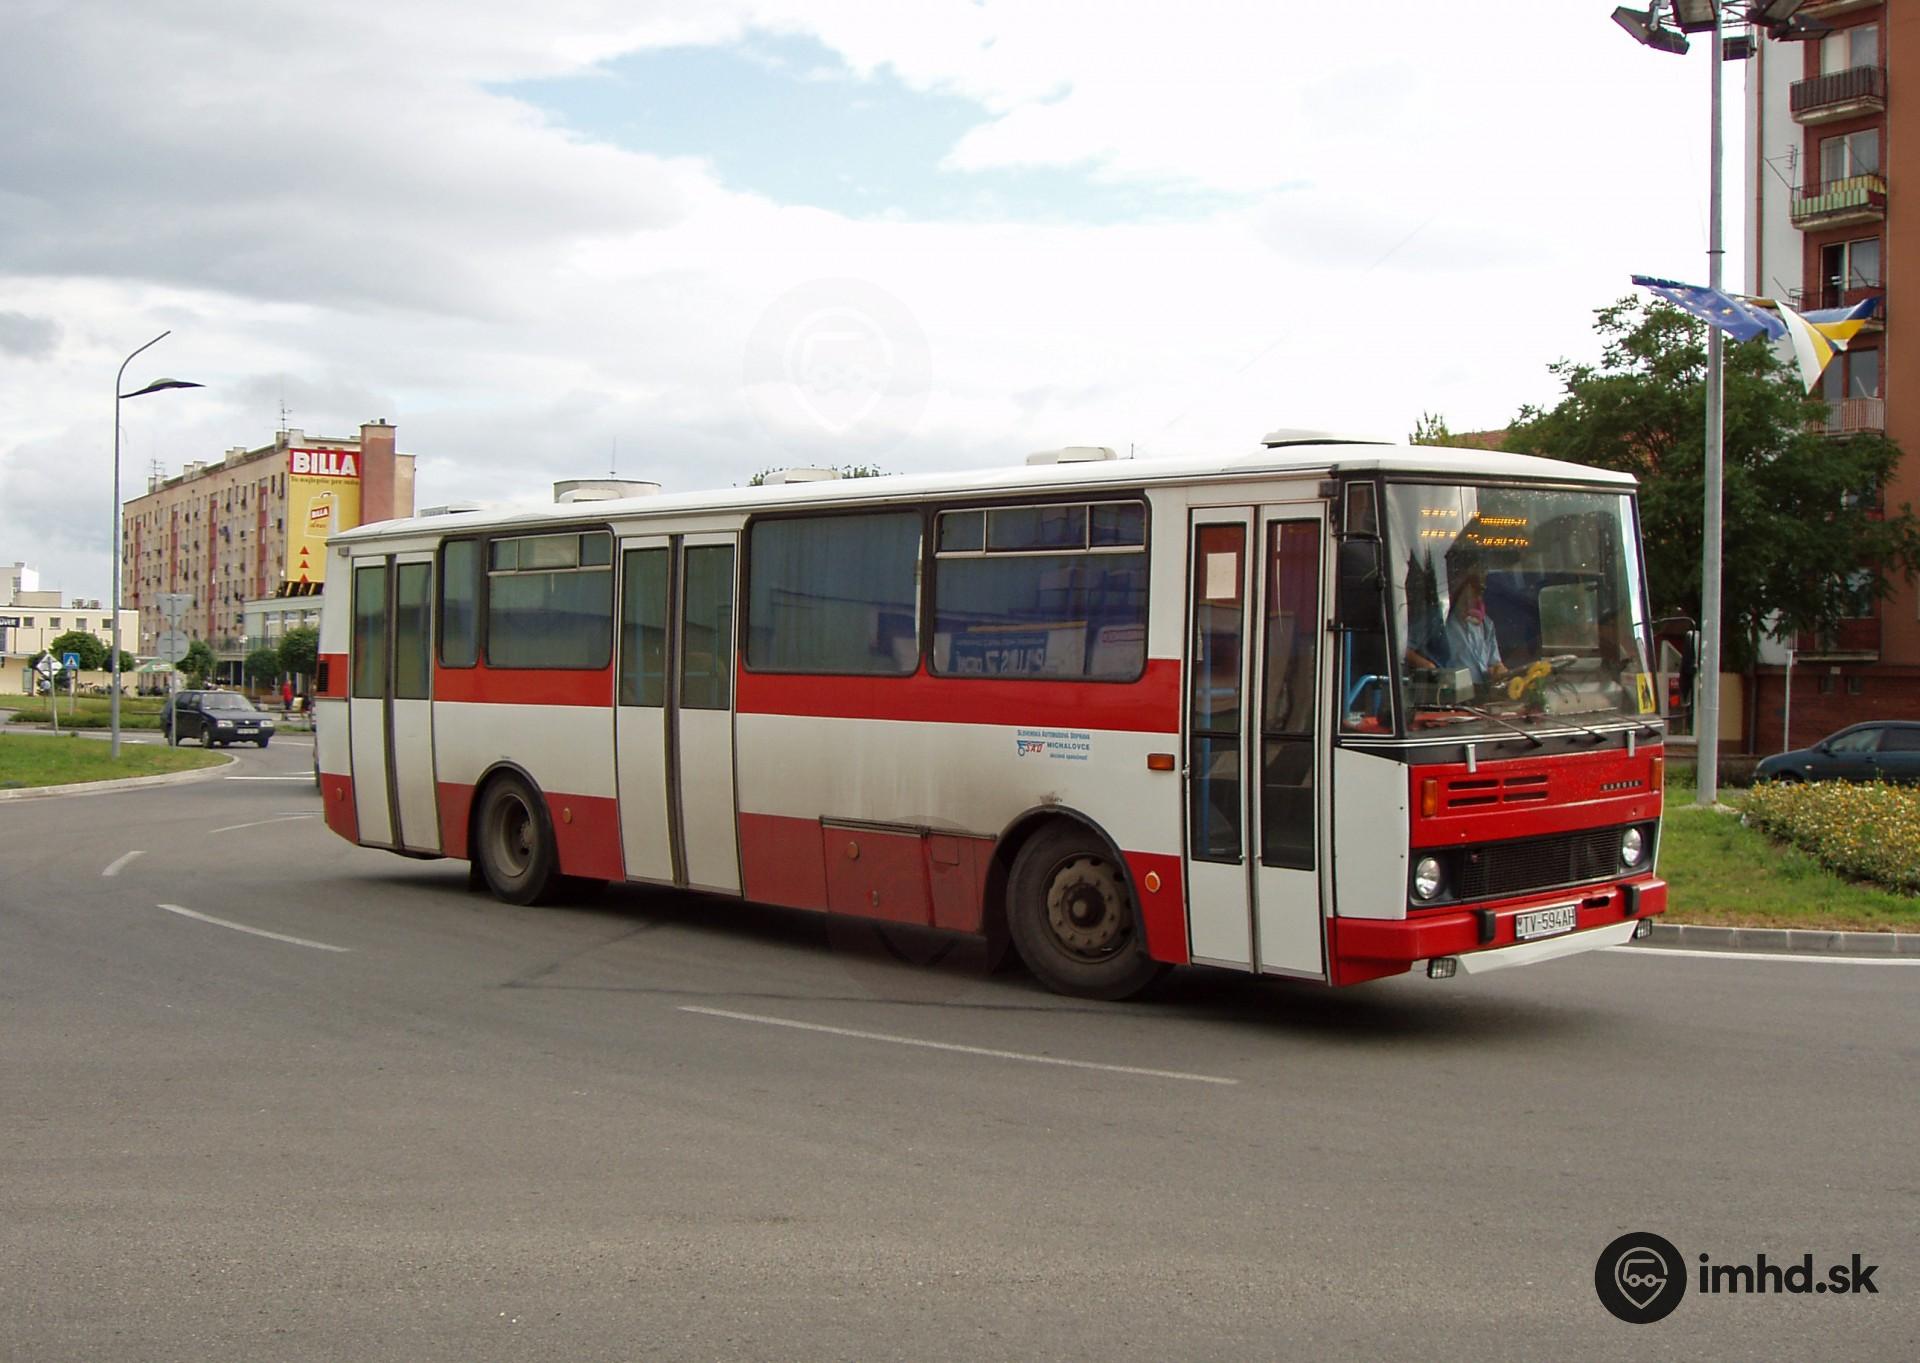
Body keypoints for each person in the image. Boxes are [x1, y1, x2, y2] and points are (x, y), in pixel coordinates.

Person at [1445, 571, 1507, 686]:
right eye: (1465, 598)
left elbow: (1495, 664)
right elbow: (1409, 649)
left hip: (1484, 692)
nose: (1471, 601)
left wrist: (1499, 671)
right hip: (1456, 691)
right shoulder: (1443, 624)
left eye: (1478, 593)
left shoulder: (1486, 625)